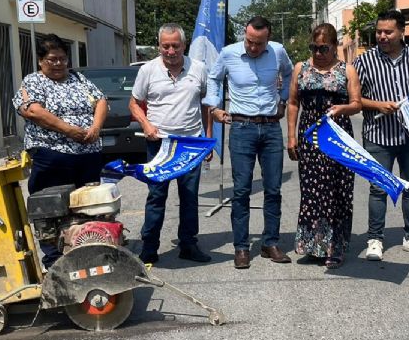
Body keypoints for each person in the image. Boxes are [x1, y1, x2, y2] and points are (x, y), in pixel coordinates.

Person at [205, 16, 294, 269]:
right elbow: (213, 79)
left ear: (268, 39)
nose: (253, 48)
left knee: (273, 188)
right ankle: (241, 247)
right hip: (241, 127)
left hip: (270, 128)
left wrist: (283, 98)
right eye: (249, 41)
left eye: (259, 43)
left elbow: (289, 74)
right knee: (242, 190)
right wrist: (214, 107)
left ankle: (270, 243)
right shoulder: (228, 53)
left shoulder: (277, 51)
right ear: (244, 35)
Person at [13, 34, 108, 267]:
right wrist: (68, 129)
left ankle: (88, 248)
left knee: (88, 205)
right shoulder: (33, 82)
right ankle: (55, 258)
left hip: (87, 154)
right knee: (51, 207)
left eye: (62, 59)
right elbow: (33, 111)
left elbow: (101, 101)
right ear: (40, 61)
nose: (58, 64)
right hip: (53, 154)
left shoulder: (79, 78)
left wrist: (95, 127)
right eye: (52, 59)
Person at [354, 9, 409, 261]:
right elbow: (354, 99)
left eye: (388, 32)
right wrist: (377, 105)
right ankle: (375, 239)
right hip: (378, 135)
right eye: (379, 31)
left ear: (402, 32)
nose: (382, 36)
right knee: (378, 188)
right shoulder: (365, 60)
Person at [129, 24, 212, 264]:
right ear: (159, 46)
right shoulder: (147, 70)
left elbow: (205, 105)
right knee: (156, 196)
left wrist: (206, 138)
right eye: (165, 46)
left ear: (184, 46)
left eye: (175, 45)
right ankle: (149, 247)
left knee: (189, 196)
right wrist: (146, 125)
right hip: (160, 144)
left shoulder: (198, 69)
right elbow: (134, 103)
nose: (171, 50)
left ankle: (188, 244)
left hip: (190, 143)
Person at [286, 23, 362, 269]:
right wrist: (291, 137)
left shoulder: (346, 70)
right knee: (312, 192)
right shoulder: (301, 68)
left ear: (334, 47)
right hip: (309, 136)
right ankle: (314, 245)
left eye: (323, 48)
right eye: (314, 47)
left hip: (338, 135)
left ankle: (335, 247)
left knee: (338, 192)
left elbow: (357, 103)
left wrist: (344, 108)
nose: (318, 53)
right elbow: (293, 103)